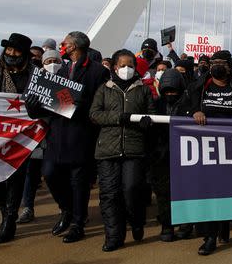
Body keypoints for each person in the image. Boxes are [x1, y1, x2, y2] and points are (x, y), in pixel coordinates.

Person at [31, 31, 109, 244]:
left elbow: (99, 103)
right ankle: (66, 209)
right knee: (50, 173)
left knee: (79, 182)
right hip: (57, 134)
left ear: (74, 46)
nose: (62, 44)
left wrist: (80, 106)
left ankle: (77, 222)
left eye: (66, 42)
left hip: (81, 134)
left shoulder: (98, 72)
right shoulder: (60, 69)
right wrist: (34, 108)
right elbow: (48, 102)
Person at [188, 50, 232, 256]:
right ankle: (210, 236)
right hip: (205, 148)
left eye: (222, 62)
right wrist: (195, 111)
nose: (217, 65)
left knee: (226, 189)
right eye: (214, 62)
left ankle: (225, 223)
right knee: (210, 190)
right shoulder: (200, 85)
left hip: (231, 148)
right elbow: (186, 106)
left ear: (230, 66)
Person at [89, 49, 157, 251]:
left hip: (134, 149)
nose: (126, 69)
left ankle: (136, 222)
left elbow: (152, 114)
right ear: (115, 67)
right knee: (109, 194)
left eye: (130, 65)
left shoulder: (143, 90)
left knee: (132, 189)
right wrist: (119, 117)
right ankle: (113, 236)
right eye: (122, 65)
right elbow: (94, 114)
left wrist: (147, 122)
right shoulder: (104, 89)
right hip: (107, 149)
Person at [0, 33, 35, 243]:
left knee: (16, 178)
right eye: (8, 50)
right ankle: (2, 205)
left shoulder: (36, 77)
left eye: (16, 51)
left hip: (23, 136)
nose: (11, 54)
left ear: (24, 54)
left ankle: (9, 218)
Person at [18, 49, 64, 225]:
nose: (52, 64)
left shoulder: (68, 81)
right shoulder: (34, 81)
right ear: (42, 65)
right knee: (31, 172)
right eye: (47, 61)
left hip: (56, 135)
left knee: (53, 173)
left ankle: (63, 207)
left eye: (55, 60)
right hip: (36, 134)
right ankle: (28, 207)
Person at [151, 69, 194, 242]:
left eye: (173, 91)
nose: (169, 94)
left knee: (184, 191)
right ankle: (167, 225)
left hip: (184, 155)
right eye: (166, 91)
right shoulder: (155, 104)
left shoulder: (189, 104)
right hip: (160, 155)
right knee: (163, 193)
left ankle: (185, 224)